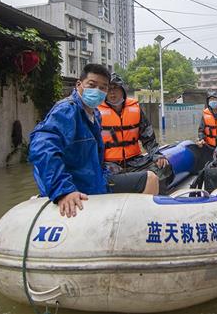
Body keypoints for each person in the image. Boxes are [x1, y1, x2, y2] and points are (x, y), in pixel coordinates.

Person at [28, 64, 158, 218]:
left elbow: (97, 159)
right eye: (92, 85)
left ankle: (131, 224)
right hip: (76, 185)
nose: (97, 91)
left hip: (96, 181)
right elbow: (42, 147)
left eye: (103, 88)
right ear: (79, 85)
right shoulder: (67, 110)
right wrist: (64, 191)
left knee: (151, 178)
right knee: (150, 179)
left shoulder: (95, 115)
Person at [98, 74, 170, 193]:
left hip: (135, 161)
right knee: (106, 178)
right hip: (109, 164)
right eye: (108, 89)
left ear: (123, 91)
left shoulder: (135, 109)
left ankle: (158, 198)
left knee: (163, 166)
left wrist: (157, 155)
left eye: (115, 88)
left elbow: (149, 138)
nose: (112, 93)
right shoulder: (96, 112)